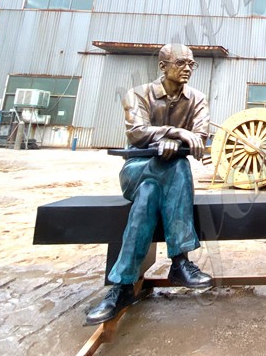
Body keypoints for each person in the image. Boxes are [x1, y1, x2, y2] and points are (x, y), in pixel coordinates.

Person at [86, 43, 213, 325]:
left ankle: (120, 287)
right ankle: (180, 261)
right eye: (181, 63)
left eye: (192, 64)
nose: (188, 69)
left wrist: (174, 141)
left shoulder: (197, 99)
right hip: (135, 170)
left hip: (158, 183)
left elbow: (201, 134)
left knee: (149, 194)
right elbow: (136, 133)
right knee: (172, 168)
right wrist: (173, 133)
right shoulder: (138, 95)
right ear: (163, 66)